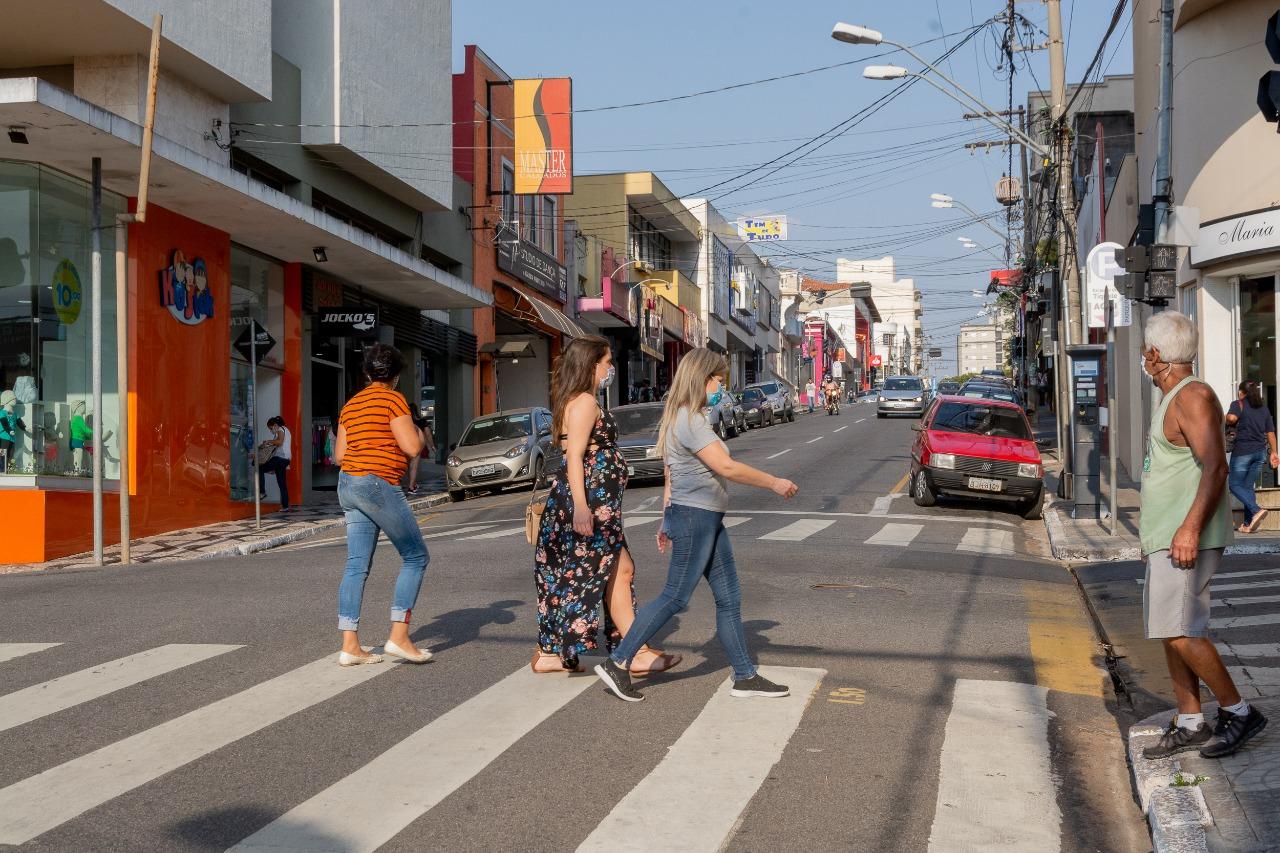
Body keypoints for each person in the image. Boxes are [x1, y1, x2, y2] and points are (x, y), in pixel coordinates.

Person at [595, 348, 799, 702]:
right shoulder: (689, 420)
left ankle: (745, 676)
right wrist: (774, 482)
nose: (721, 387)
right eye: (718, 380)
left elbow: (671, 473)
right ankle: (618, 662)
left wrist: (665, 517)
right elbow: (726, 467)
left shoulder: (687, 417)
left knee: (729, 598)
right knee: (675, 596)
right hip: (696, 518)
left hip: (701, 517)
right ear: (703, 380)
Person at [1137, 312, 1268, 760]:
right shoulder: (1174, 394)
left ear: (1155, 355)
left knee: (1182, 632)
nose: (1142, 356)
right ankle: (1191, 719)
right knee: (1170, 629)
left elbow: (1216, 467)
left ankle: (1239, 710)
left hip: (1184, 538)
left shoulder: (1192, 396)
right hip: (1166, 537)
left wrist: (1189, 529)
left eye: (1144, 349)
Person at [534, 335, 680, 675]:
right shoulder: (584, 402)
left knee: (607, 571)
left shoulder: (580, 400)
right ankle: (633, 651)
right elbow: (573, 458)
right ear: (591, 365)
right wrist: (582, 509)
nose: (610, 369)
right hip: (589, 507)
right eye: (607, 362)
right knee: (608, 571)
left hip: (598, 506)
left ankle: (558, 652)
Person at [333, 344, 432, 667]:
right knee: (416, 556)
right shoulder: (392, 399)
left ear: (366, 373)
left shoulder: (351, 405)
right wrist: (416, 428)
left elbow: (339, 455)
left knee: (356, 565)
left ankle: (350, 645)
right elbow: (412, 447)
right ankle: (399, 637)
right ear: (396, 376)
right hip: (376, 484)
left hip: (348, 484)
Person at [1226, 380, 1278, 533]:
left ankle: (1256, 510)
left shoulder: (1238, 403)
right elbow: (1270, 433)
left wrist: (1224, 416)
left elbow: (1231, 419)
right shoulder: (1263, 409)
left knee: (1234, 485)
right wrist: (1274, 452)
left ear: (1242, 392)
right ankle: (1249, 524)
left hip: (1243, 451)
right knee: (1248, 488)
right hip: (1259, 453)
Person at [258, 416, 292, 511]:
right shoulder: (286, 430)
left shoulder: (280, 430)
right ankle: (285, 506)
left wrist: (268, 441)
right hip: (285, 460)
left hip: (280, 459)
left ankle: (262, 492)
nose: (271, 430)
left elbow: (280, 442)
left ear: (275, 425)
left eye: (270, 428)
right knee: (282, 483)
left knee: (259, 467)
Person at [405, 413, 437, 495]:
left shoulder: (406, 421)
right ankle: (411, 486)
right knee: (414, 465)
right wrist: (432, 446)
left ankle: (412, 484)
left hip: (406, 444)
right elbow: (428, 434)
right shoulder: (422, 421)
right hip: (417, 444)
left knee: (410, 466)